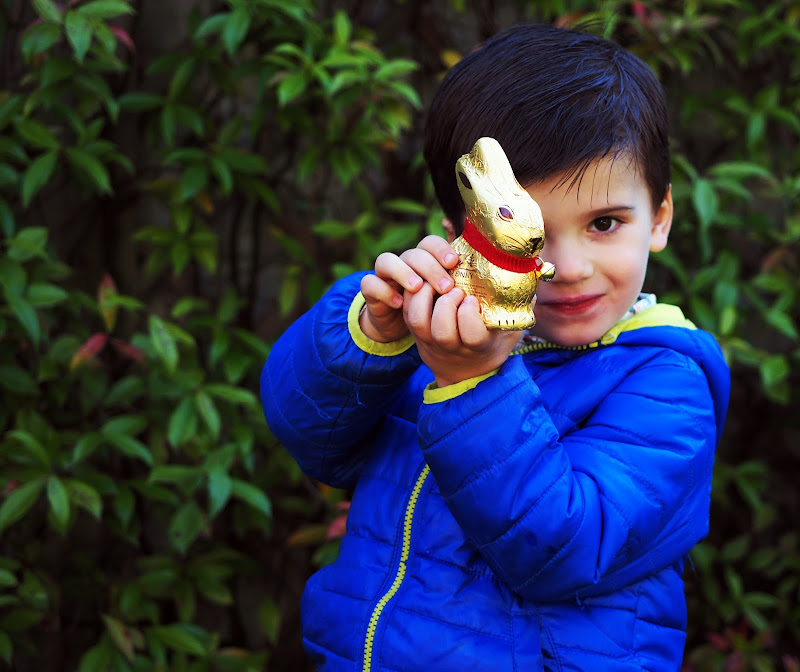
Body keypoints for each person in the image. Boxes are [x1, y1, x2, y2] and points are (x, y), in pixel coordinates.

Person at [261, 22, 730, 672]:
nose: (567, 268)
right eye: (526, 234)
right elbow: (315, 444)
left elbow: (565, 548)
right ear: (459, 234)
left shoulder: (665, 382)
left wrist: (476, 382)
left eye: (603, 224)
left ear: (661, 217)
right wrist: (373, 340)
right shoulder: (447, 329)